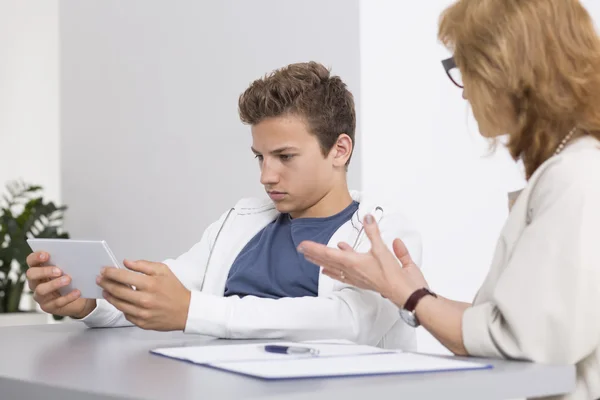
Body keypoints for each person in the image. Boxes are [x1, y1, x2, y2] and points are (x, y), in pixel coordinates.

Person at [298, 1, 600, 399]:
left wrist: (408, 295)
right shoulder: (569, 170)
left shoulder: (577, 177)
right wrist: (411, 292)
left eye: (465, 70)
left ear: (507, 71)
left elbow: (524, 344)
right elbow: (500, 325)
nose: (465, 93)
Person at [25, 62, 421, 349]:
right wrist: (88, 304)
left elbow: (351, 323)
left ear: (339, 149)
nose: (267, 175)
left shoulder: (385, 233)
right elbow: (172, 291)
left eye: (284, 157)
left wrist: (193, 311)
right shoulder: (242, 220)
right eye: (259, 157)